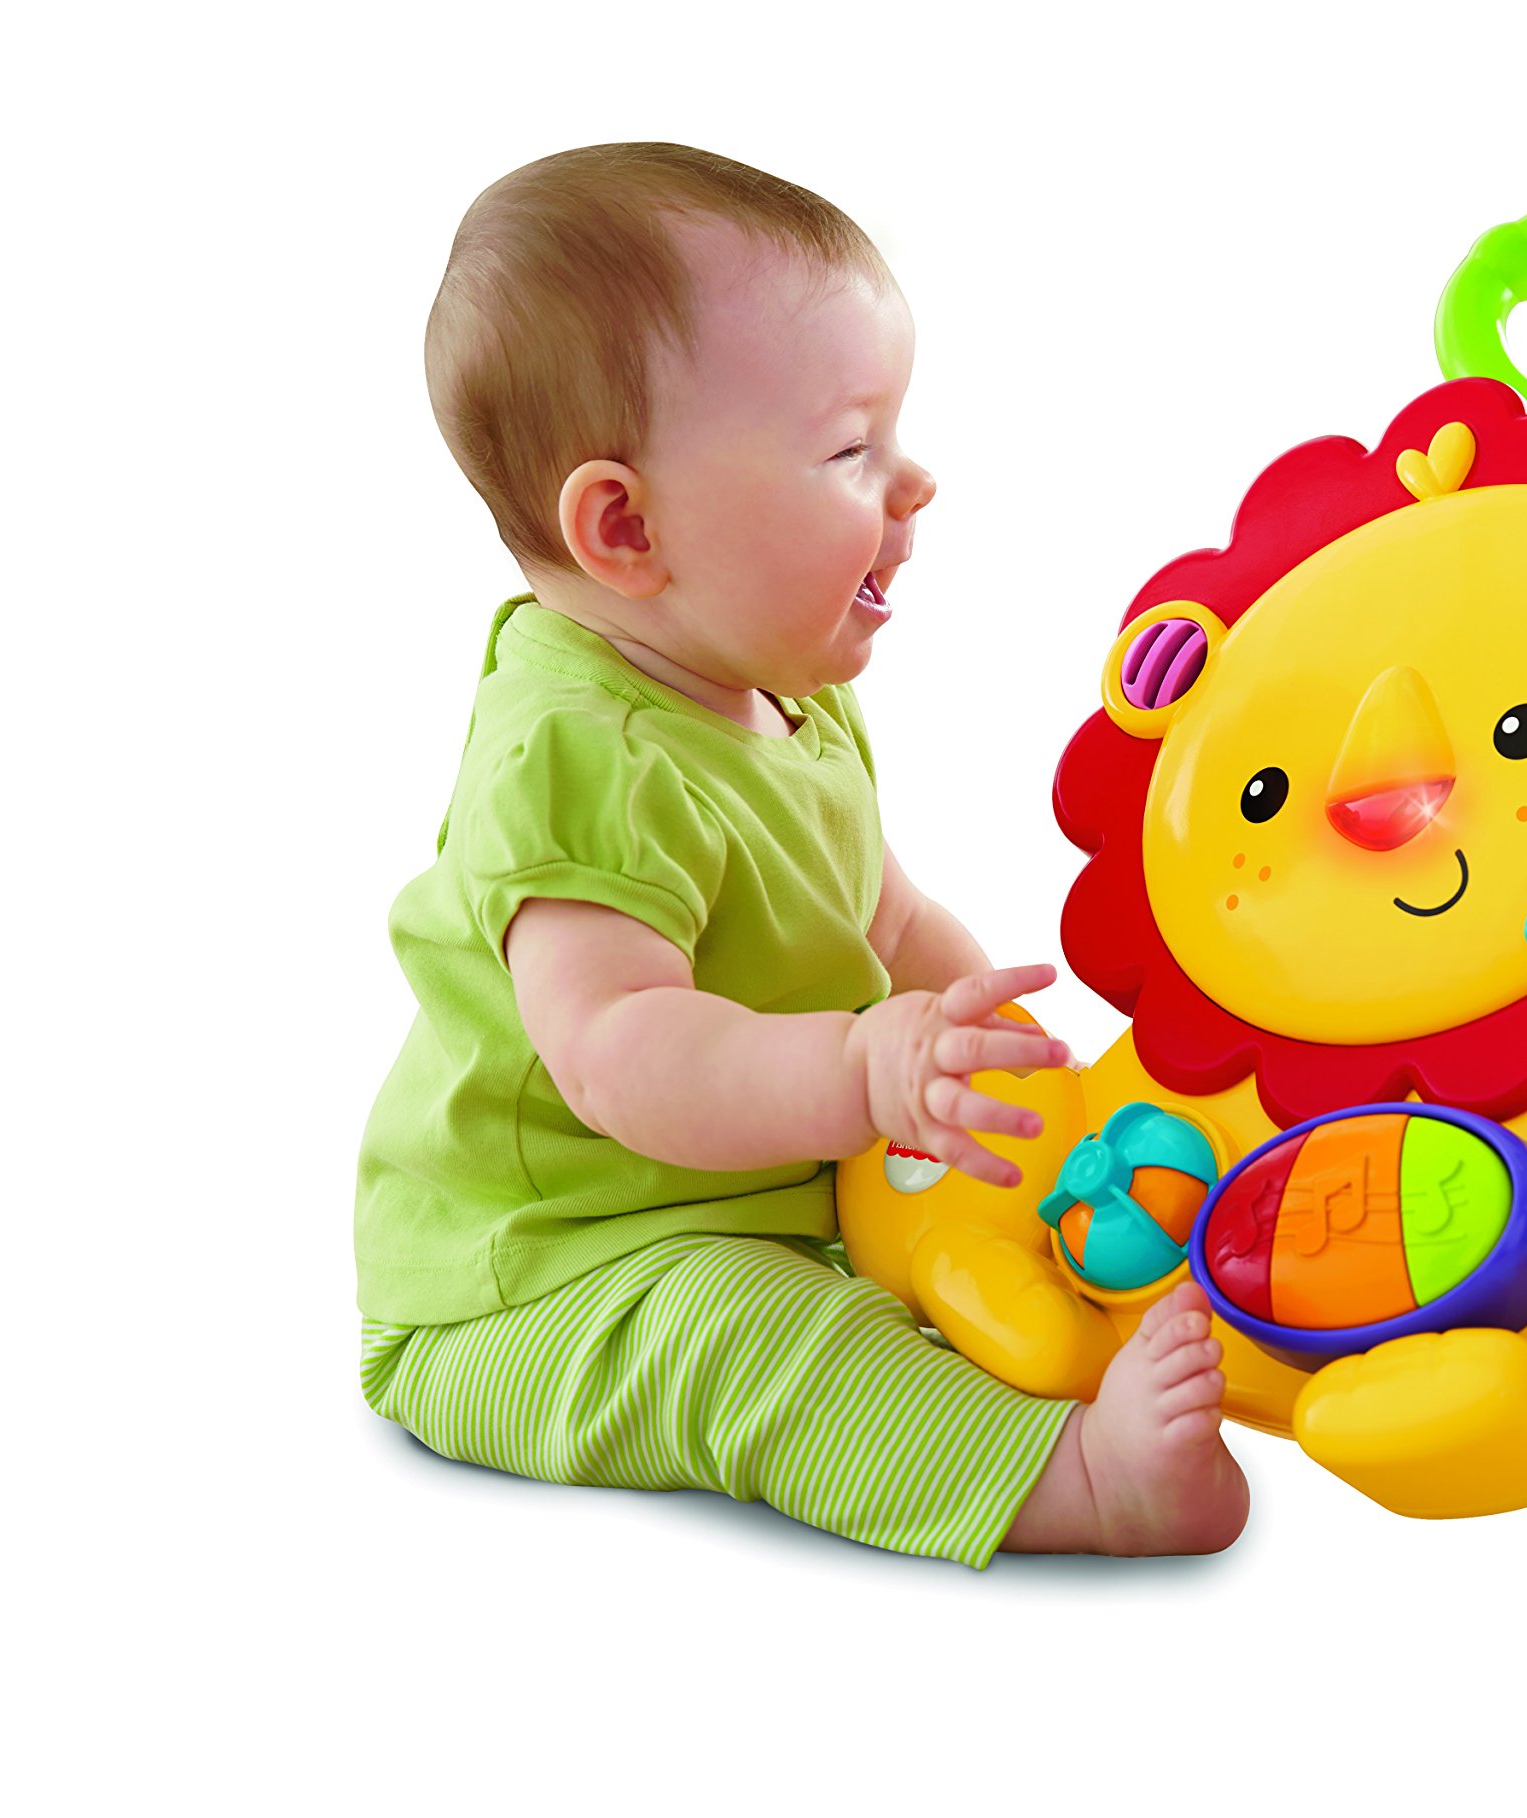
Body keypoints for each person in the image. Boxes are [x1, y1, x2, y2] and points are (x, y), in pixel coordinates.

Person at [356, 142, 1248, 1566]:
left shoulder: (781, 690)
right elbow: (620, 1051)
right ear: (627, 527)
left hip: (782, 1199)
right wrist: (862, 1073)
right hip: (546, 1277)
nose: (915, 482)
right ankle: (1079, 1483)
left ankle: (1072, 1358)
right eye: (850, 452)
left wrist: (1018, 1074)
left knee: (960, 1244)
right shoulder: (577, 757)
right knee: (754, 1347)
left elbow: (885, 920)